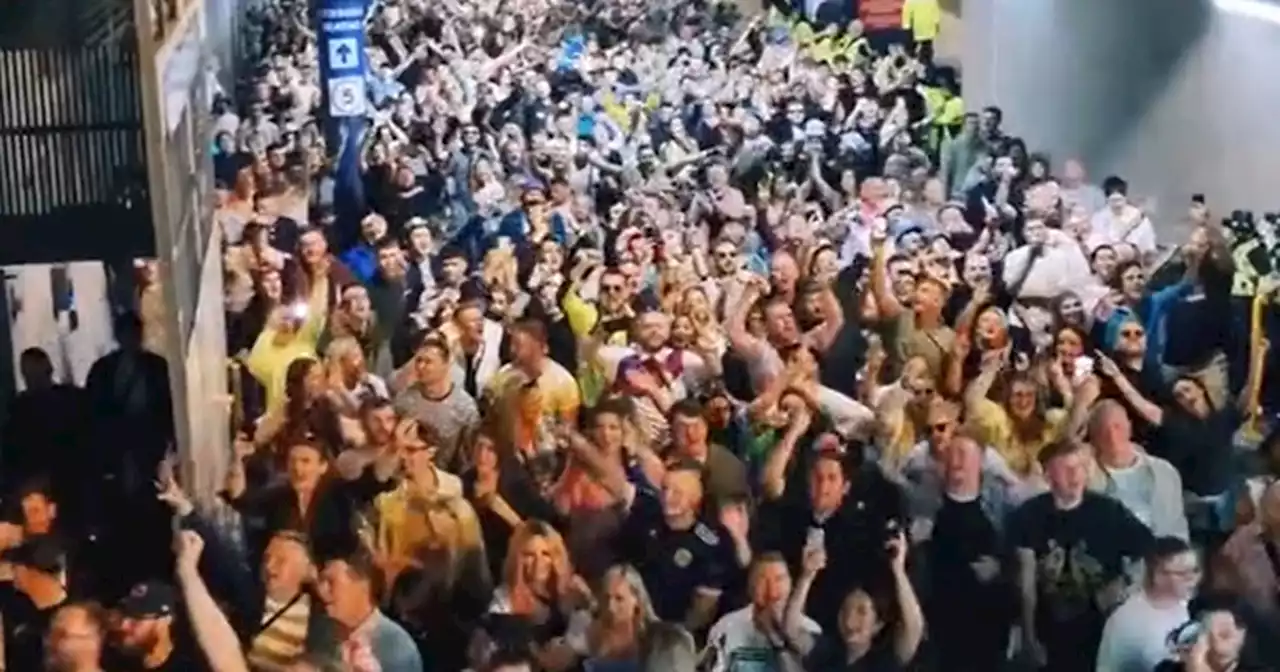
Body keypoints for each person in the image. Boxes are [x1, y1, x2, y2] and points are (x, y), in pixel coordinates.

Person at [1008, 438, 1155, 671]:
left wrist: (1126, 581)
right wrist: (1028, 636)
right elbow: (1026, 584)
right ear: (1048, 477)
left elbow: (1151, 551)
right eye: (1066, 469)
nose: (1075, 475)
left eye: (1079, 467)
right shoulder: (1028, 516)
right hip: (1049, 631)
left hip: (1101, 629)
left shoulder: (1109, 512)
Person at [1096, 536, 1198, 672]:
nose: (1192, 579)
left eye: (1195, 570)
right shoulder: (1126, 620)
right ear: (1158, 576)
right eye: (1183, 573)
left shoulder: (1190, 605)